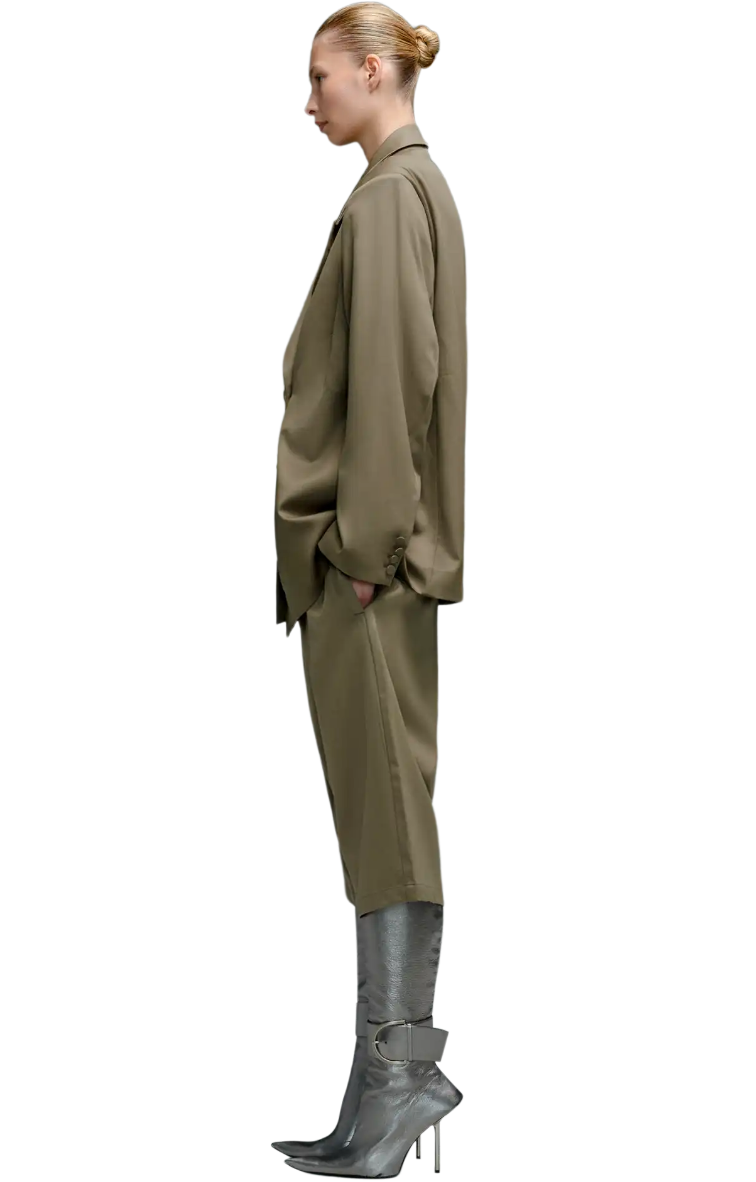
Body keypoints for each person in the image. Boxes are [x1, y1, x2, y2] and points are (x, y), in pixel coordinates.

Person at [272, 4, 467, 1175]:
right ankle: (378, 1088)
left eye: (320, 77)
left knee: (387, 820)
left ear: (374, 70)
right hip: (371, 562)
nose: (308, 101)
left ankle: (401, 1080)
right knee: (379, 816)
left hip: (366, 569)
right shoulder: (402, 189)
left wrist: (360, 547)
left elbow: (399, 379)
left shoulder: (392, 196)